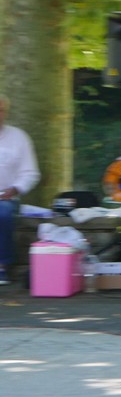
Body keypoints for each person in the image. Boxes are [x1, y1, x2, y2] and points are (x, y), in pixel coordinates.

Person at [0, 96, 42, 287]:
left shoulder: (18, 137)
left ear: (6, 113)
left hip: (6, 198)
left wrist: (15, 188)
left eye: (0, 110)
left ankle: (2, 266)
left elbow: (31, 173)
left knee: (3, 214)